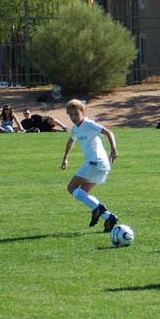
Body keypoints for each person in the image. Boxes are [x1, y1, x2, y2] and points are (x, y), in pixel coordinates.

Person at [61, 99, 119, 232]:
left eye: (76, 114)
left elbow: (109, 132)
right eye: (71, 115)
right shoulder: (75, 129)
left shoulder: (89, 124)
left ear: (83, 112)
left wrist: (113, 149)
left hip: (96, 162)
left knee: (71, 187)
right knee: (83, 192)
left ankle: (98, 208)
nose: (74, 117)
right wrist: (65, 158)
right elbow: (70, 142)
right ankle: (108, 217)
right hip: (101, 165)